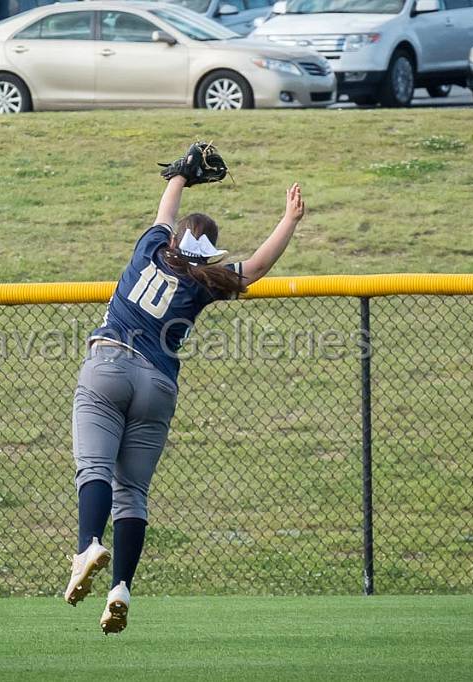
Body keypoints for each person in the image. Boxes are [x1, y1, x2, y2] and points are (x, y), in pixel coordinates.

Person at [65, 148, 306, 634]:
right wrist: (290, 219)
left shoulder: (149, 249)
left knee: (94, 468)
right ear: (210, 252)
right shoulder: (204, 281)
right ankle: (120, 590)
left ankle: (88, 543)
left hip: (110, 362)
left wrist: (180, 175)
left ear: (175, 239)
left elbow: (165, 212)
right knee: (131, 491)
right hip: (157, 384)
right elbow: (255, 267)